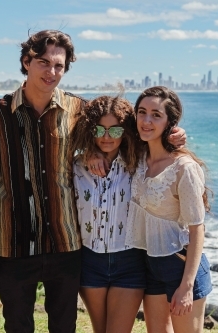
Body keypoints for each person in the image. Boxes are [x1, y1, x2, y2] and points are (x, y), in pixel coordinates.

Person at [0, 29, 186, 333]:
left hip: (65, 242)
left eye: (59, 66)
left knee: (64, 327)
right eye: (43, 62)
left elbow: (119, 125)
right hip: (15, 240)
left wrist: (173, 137)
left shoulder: (77, 109)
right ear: (27, 61)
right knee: (17, 325)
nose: (51, 72)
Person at [125, 86, 212, 333]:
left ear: (170, 122)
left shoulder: (184, 167)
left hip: (181, 265)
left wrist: (186, 285)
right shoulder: (138, 156)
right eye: (142, 112)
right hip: (151, 264)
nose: (146, 120)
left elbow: (197, 228)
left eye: (156, 115)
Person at [70, 95, 146, 333]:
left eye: (115, 131)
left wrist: (177, 134)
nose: (106, 137)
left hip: (129, 260)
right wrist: (88, 151)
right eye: (99, 130)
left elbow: (165, 143)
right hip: (90, 261)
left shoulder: (140, 164)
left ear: (126, 131)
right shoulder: (76, 165)